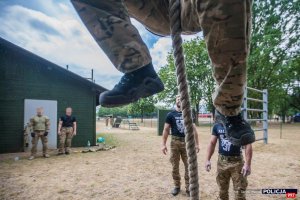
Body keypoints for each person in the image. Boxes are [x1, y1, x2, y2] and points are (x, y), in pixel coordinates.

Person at [71, 0, 255, 146]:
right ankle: (137, 69)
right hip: (155, 6)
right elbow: (167, 129)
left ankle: (228, 107)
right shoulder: (170, 116)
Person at [205, 118, 253, 200]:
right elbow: (212, 143)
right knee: (222, 192)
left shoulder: (241, 124)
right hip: (222, 163)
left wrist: (248, 164)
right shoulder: (217, 125)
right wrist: (207, 160)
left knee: (240, 194)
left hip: (237, 163)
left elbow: (248, 144)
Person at [161, 96, 200, 196]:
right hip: (175, 143)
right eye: (178, 99)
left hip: (187, 143)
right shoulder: (170, 114)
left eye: (181, 99)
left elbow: (194, 130)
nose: (179, 100)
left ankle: (188, 187)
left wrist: (197, 144)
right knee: (175, 166)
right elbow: (166, 130)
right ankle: (177, 186)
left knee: (189, 166)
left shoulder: (188, 114)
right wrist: (163, 144)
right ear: (176, 101)